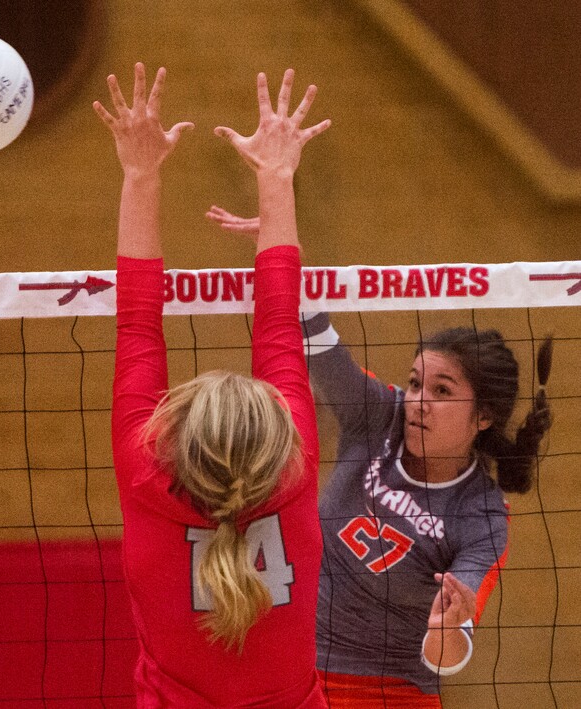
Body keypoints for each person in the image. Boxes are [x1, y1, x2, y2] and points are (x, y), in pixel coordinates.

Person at [206, 208, 553, 707]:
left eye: (442, 390)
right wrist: (277, 243)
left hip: (393, 691)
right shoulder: (379, 415)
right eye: (415, 383)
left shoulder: (483, 516)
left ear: (484, 417)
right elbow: (320, 346)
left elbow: (448, 657)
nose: (417, 402)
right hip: (293, 668)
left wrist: (448, 626)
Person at [94, 64, 331, 707]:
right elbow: (280, 323)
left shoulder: (148, 470)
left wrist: (140, 171)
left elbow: (138, 323)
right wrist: (277, 176)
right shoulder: (296, 467)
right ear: (280, 434)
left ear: (172, 435)